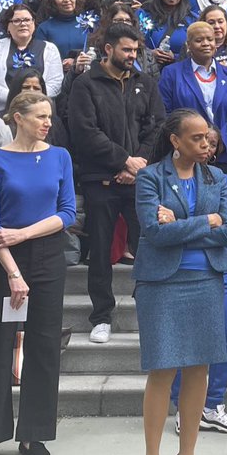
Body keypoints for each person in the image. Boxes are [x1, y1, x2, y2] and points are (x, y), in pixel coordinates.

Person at [133, 110, 227, 455]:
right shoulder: (149, 177)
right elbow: (154, 233)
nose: (205, 146)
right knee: (163, 370)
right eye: (196, 139)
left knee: (199, 370)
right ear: (176, 141)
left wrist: (181, 220)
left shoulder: (221, 180)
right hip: (162, 283)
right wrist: (204, 221)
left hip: (207, 281)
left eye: (208, 140)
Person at [0, 91, 74, 455]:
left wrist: (24, 234)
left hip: (45, 255)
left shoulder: (60, 156)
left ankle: (34, 432)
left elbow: (67, 211)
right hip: (2, 261)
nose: (47, 122)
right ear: (18, 117)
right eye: (40, 116)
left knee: (44, 346)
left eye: (49, 116)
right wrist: (13, 272)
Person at [68, 23, 165, 345]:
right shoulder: (85, 84)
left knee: (147, 248)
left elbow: (156, 128)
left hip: (139, 179)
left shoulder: (145, 83)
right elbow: (85, 132)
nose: (132, 56)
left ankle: (148, 312)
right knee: (99, 251)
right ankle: (101, 316)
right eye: (127, 50)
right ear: (108, 49)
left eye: (136, 51)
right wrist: (124, 161)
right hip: (100, 180)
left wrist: (137, 165)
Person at [158, 22, 227, 174]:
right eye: (199, 40)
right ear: (188, 45)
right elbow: (165, 114)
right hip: (184, 156)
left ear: (215, 44)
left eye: (210, 39)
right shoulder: (171, 73)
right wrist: (192, 143)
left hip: (223, 156)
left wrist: (217, 144)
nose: (206, 43)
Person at [0, 4, 62, 112]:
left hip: (39, 111)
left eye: (27, 20)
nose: (23, 24)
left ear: (34, 24)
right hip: (1, 111)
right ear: (7, 26)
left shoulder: (50, 48)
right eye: (17, 20)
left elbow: (56, 83)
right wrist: (14, 97)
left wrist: (32, 99)